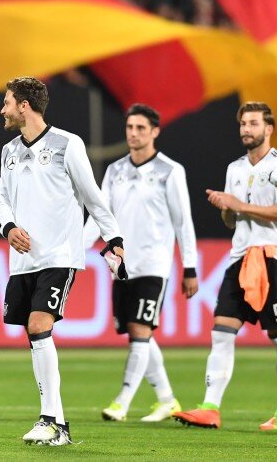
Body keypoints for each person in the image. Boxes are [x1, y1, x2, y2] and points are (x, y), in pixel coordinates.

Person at [0, 77, 125, 446]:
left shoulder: (67, 144)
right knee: (35, 335)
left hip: (58, 254)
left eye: (7, 103)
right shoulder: (8, 151)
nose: (3, 110)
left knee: (39, 325)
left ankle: (49, 419)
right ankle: (60, 425)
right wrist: (8, 227)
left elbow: (93, 197)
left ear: (24, 106)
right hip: (23, 260)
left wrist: (115, 239)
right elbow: (2, 196)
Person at [174, 102, 277, 431]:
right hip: (239, 257)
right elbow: (231, 220)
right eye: (243, 123)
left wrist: (238, 204)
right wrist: (226, 208)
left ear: (268, 129)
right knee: (221, 332)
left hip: (272, 258)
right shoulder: (235, 168)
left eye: (253, 123)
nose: (246, 129)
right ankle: (210, 407)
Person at [96, 104, 198, 424]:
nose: (133, 133)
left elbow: (183, 222)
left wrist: (190, 267)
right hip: (122, 266)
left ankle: (122, 402)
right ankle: (167, 399)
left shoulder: (170, 171)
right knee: (136, 331)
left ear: (155, 132)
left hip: (155, 263)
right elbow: (101, 216)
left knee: (141, 330)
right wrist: (75, 249)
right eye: (130, 127)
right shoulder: (114, 171)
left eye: (140, 128)